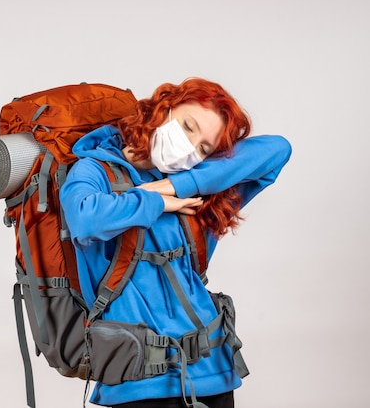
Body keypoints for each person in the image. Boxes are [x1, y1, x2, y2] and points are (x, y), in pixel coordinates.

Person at [59, 77, 292, 408]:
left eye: (204, 149)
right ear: (162, 107)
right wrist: (151, 202)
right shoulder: (95, 170)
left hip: (214, 369)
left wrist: (172, 186)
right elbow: (84, 219)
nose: (189, 146)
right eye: (187, 126)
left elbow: (278, 150)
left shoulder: (200, 193)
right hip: (139, 379)